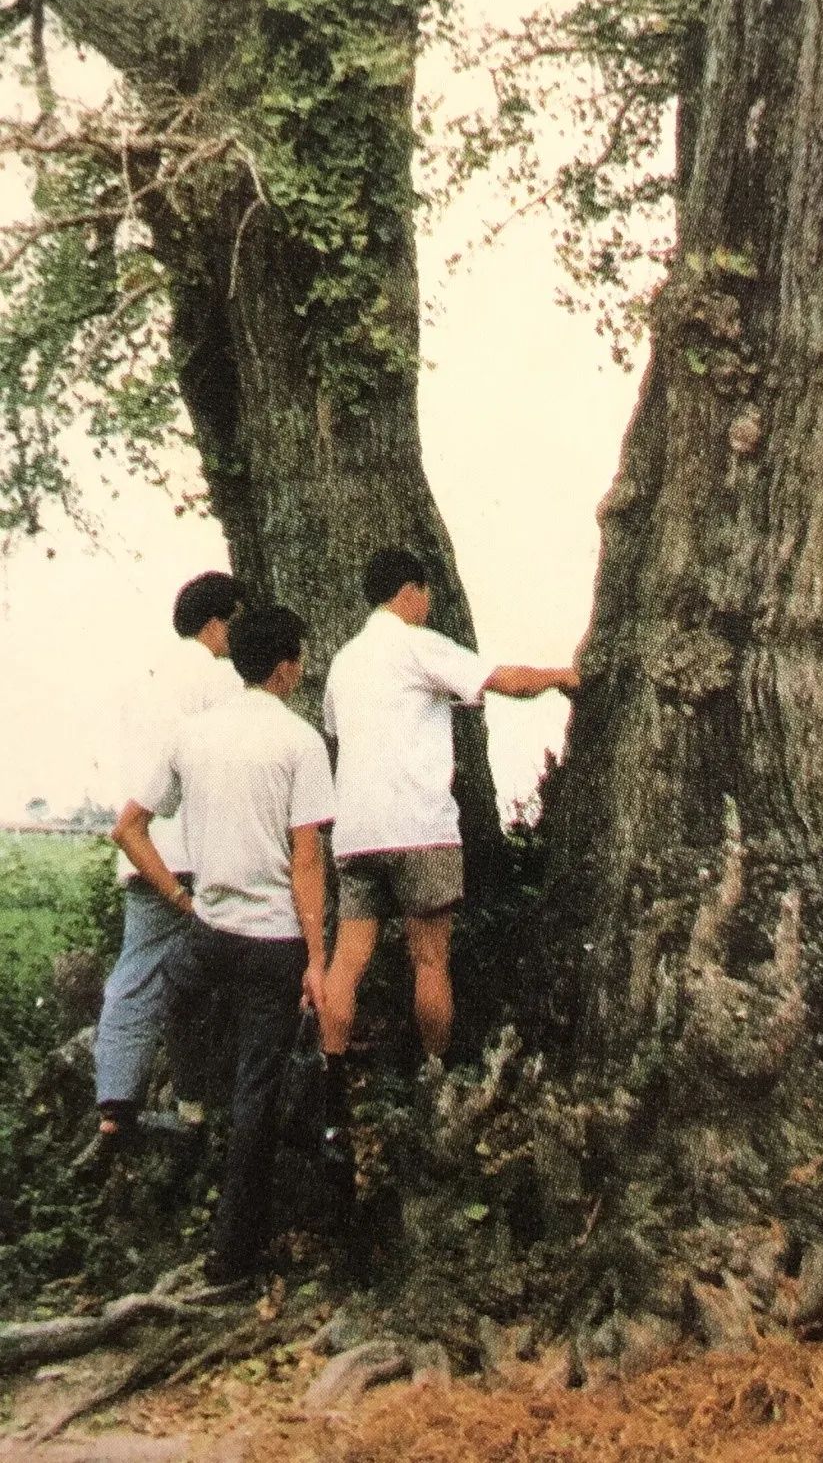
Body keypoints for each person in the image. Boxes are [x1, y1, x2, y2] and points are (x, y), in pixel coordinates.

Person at [319, 547, 579, 1145]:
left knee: (347, 962)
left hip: (355, 835)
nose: (428, 605)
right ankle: (435, 1077)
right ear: (409, 592)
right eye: (425, 594)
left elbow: (336, 732)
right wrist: (563, 677)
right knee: (430, 960)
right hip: (418, 829)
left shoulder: (344, 662)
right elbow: (502, 681)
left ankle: (333, 1094)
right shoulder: (416, 644)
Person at [113, 604, 334, 1285]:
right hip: (273, 941)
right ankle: (232, 1259)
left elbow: (128, 828)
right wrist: (317, 960)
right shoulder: (300, 742)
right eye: (299, 659)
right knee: (256, 1096)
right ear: (285, 667)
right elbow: (307, 861)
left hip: (208, 932)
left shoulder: (193, 734)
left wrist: (179, 899)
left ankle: (190, 1109)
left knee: (178, 994)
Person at [93, 571, 242, 1156]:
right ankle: (197, 1108)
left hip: (143, 854)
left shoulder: (143, 682)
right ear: (217, 624)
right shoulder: (220, 678)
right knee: (210, 981)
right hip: (194, 854)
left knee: (138, 974)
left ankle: (117, 1106)